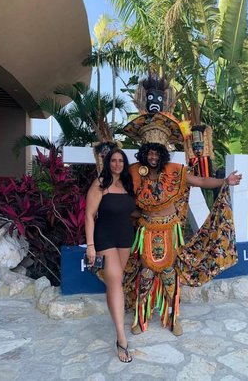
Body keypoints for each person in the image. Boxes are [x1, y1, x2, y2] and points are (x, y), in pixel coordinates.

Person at [122, 76, 242, 337]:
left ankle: (173, 317)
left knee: (169, 274)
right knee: (145, 273)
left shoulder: (176, 171)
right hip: (145, 230)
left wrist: (224, 181)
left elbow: (200, 181)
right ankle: (140, 318)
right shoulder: (133, 172)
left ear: (163, 153)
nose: (153, 156)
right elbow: (122, 197)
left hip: (169, 230)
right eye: (150, 151)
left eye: (157, 152)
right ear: (144, 151)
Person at [85, 148, 137, 363]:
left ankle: (118, 323)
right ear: (108, 163)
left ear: (124, 163)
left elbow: (131, 211)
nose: (117, 164)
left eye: (120, 160)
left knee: (114, 283)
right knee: (115, 280)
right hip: (104, 238)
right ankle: (121, 337)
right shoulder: (100, 184)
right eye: (113, 160)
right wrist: (90, 246)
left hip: (125, 238)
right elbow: (89, 215)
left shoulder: (128, 184)